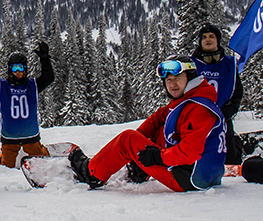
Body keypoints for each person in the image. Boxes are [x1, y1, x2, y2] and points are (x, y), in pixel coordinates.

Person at [67, 55, 226, 192]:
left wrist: (156, 156)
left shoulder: (198, 109)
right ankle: (139, 168)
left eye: (178, 78)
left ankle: (91, 174)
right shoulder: (194, 100)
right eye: (168, 80)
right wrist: (139, 142)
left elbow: (189, 152)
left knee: (126, 139)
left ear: (190, 78)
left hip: (187, 179)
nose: (172, 84)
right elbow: (161, 116)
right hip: (202, 174)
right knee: (159, 128)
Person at [0, 43, 54, 167]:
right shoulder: (2, 87)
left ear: (26, 69)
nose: (18, 72)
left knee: (41, 162)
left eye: (21, 68)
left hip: (31, 136)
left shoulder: (33, 85)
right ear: (9, 69)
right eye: (14, 68)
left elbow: (48, 77)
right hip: (10, 137)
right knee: (7, 165)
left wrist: (45, 59)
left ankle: (44, 151)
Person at [191, 24, 245, 164]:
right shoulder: (191, 64)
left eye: (211, 36)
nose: (207, 40)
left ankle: (240, 144)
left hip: (222, 117)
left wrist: (228, 112)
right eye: (204, 37)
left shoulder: (229, 64)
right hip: (197, 120)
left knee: (231, 160)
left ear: (218, 40)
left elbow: (237, 92)